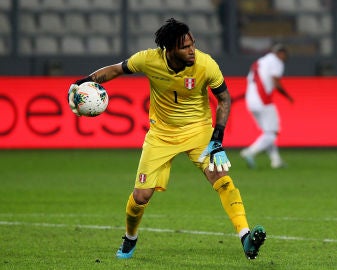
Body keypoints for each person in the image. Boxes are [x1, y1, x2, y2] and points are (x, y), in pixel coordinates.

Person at [68, 18, 266, 260]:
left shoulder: (206, 65)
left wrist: (218, 137)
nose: (192, 50)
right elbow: (116, 69)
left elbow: (225, 99)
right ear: (170, 49)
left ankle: (246, 238)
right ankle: (130, 238)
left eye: (193, 44)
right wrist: (82, 82)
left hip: (198, 130)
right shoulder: (149, 59)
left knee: (222, 179)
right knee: (141, 197)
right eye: (185, 47)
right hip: (161, 134)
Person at [240, 43, 294, 169]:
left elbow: (250, 80)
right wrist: (288, 96)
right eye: (285, 54)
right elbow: (275, 81)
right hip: (263, 100)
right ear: (280, 53)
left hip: (251, 101)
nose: (285, 57)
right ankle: (249, 152)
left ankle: (276, 161)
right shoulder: (276, 62)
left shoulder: (260, 61)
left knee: (267, 132)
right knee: (272, 133)